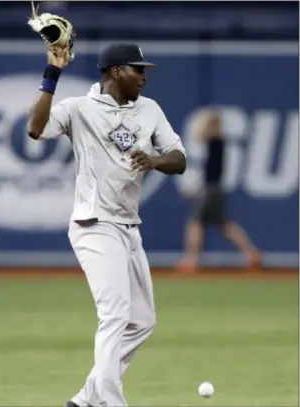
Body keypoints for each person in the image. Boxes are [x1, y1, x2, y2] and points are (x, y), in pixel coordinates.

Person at [26, 43, 187, 407]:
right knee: (115, 314)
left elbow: (179, 160)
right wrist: (52, 74)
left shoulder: (150, 110)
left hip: (129, 226)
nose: (144, 76)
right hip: (94, 222)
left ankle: (86, 398)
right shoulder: (79, 108)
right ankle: (110, 402)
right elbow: (35, 129)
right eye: (137, 69)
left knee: (142, 321)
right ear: (115, 71)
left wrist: (155, 159)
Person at [178, 109, 262, 272]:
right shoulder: (218, 142)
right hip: (216, 191)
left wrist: (205, 121)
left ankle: (191, 259)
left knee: (194, 224)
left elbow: (200, 135)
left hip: (210, 191)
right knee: (225, 225)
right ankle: (252, 253)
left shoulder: (215, 141)